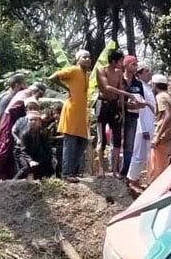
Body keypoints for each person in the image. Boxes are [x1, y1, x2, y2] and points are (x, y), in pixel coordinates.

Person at [48, 49, 94, 181]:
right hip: (71, 112)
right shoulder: (73, 70)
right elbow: (53, 77)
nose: (87, 59)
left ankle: (71, 171)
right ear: (78, 59)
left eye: (89, 57)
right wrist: (67, 88)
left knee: (83, 143)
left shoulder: (86, 75)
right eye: (84, 57)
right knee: (71, 144)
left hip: (80, 115)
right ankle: (66, 173)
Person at [0, 82, 41, 179]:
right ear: (36, 92)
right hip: (10, 126)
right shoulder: (24, 98)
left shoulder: (21, 95)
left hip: (8, 124)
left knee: (9, 152)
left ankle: (5, 177)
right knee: (3, 150)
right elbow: (14, 111)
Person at [95, 49, 138, 174]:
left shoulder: (119, 72)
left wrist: (122, 113)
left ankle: (114, 169)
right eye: (120, 61)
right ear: (114, 61)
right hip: (102, 105)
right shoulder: (101, 70)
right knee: (101, 139)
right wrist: (127, 94)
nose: (121, 63)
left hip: (115, 106)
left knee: (117, 138)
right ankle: (101, 169)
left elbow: (119, 92)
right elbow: (106, 87)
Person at [124, 63, 155, 188]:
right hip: (141, 126)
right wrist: (143, 128)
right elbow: (139, 108)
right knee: (138, 153)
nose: (149, 73)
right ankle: (131, 178)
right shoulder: (138, 86)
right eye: (146, 71)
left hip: (149, 124)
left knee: (143, 155)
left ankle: (135, 178)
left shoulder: (147, 87)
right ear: (140, 74)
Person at [146, 74, 171, 184]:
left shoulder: (160, 97)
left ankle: (154, 191)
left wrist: (158, 136)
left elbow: (167, 116)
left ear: (155, 85)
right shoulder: (169, 96)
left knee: (157, 168)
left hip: (163, 138)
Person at [13, 106, 54, 180]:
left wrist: (49, 157)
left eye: (35, 120)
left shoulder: (41, 133)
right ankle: (12, 182)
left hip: (34, 154)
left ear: (39, 121)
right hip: (22, 154)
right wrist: (30, 161)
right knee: (27, 167)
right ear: (27, 121)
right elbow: (23, 150)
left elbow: (45, 146)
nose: (33, 122)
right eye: (31, 120)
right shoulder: (25, 134)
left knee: (47, 165)